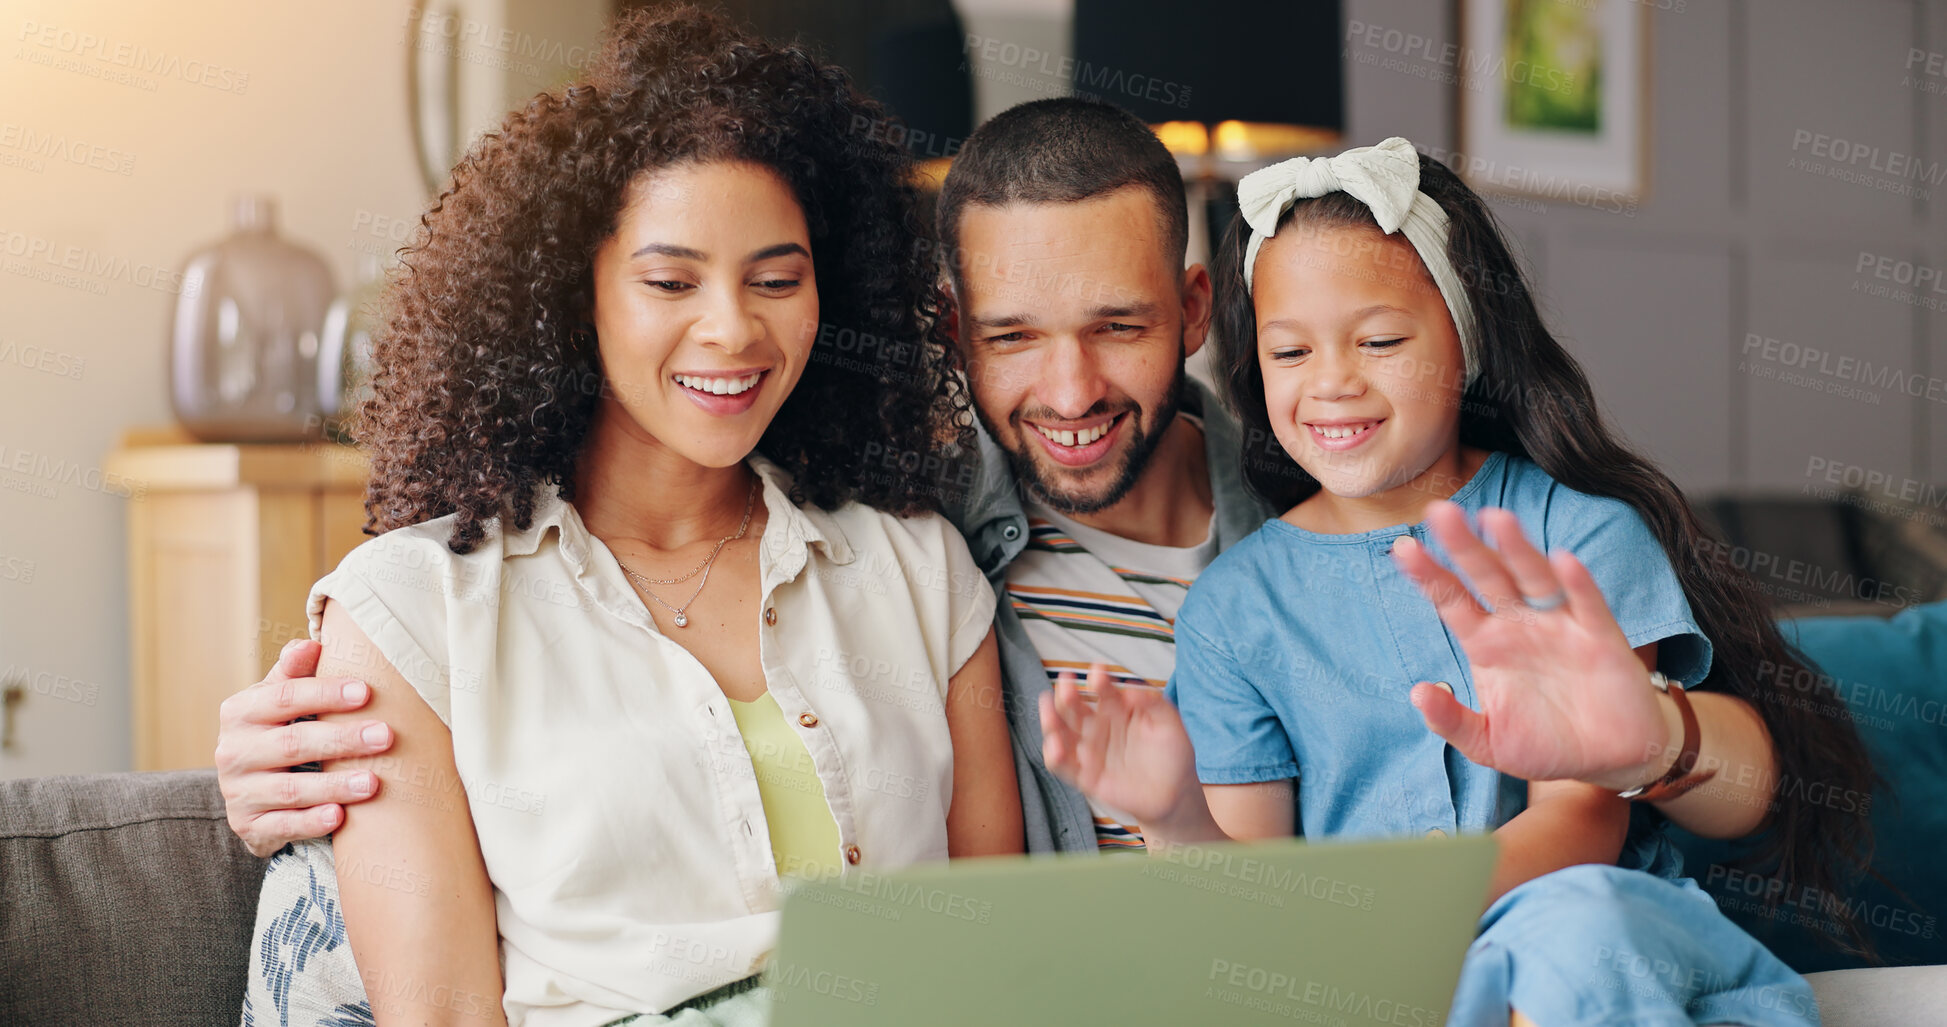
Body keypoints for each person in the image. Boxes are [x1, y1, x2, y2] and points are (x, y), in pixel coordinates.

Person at [234, 8, 1021, 1025]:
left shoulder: (920, 571)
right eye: (670, 280)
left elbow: (1001, 961)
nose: (733, 328)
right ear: (577, 294)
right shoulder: (412, 611)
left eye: (777, 279)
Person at [1038, 138, 1877, 1026]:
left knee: (1572, 931)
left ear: (1467, 340)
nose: (1331, 382)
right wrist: (1176, 820)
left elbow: (1580, 827)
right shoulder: (1234, 608)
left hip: (1589, 940)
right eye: (1290, 353)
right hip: (1370, 977)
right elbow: (1259, 907)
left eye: (1380, 339)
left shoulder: (1574, 531)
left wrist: (1395, 931)